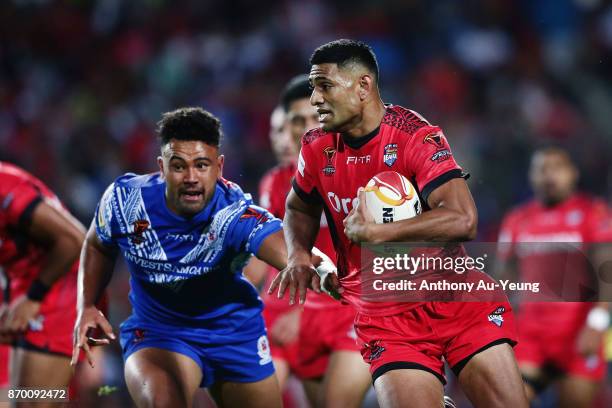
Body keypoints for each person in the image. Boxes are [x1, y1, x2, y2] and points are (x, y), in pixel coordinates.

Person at [269, 39, 528, 408]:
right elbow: (298, 207)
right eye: (313, 88)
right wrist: (297, 254)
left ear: (363, 87)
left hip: (454, 301)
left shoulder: (414, 136)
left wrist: (378, 233)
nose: (314, 100)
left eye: (324, 86)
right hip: (386, 320)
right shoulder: (316, 147)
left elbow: (464, 219)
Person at [71, 107, 329, 408]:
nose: (191, 177)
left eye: (202, 165)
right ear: (161, 166)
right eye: (179, 166)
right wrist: (88, 304)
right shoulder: (125, 201)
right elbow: (97, 244)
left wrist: (324, 271)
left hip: (233, 334)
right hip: (159, 332)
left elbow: (291, 252)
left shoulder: (234, 214)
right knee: (163, 401)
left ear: (219, 167)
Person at [258, 75, 371, 408]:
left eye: (313, 117)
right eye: (296, 120)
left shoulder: (361, 170)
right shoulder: (278, 183)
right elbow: (267, 254)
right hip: (303, 314)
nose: (306, 127)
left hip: (354, 311)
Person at [497, 147, 612, 407]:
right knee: (510, 401)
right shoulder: (518, 219)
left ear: (573, 173)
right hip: (530, 335)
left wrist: (597, 323)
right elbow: (504, 274)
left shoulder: (593, 213)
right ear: (531, 176)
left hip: (577, 334)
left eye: (557, 168)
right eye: (541, 169)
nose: (549, 176)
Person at [0, 161, 86, 405]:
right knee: (22, 399)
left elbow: (73, 239)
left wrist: (33, 297)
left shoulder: (8, 189)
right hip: (27, 288)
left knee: (33, 402)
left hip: (59, 288)